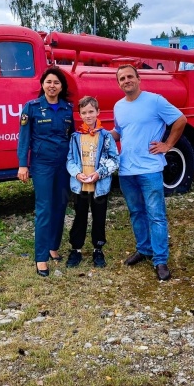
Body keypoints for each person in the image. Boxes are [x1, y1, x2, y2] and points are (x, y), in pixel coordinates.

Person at [111, 64, 187, 281]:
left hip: (150, 169)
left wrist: (167, 145)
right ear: (118, 83)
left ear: (138, 78)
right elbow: (120, 132)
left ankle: (160, 259)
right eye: (122, 78)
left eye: (130, 77)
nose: (126, 81)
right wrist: (97, 135)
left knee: (156, 215)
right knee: (136, 212)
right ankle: (144, 249)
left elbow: (180, 120)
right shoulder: (118, 106)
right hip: (127, 170)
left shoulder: (155, 101)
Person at [17, 66, 74, 277]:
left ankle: (53, 246)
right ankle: (41, 258)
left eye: (56, 83)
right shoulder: (31, 108)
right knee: (44, 209)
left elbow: (73, 137)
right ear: (42, 84)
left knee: (60, 206)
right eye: (49, 82)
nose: (52, 86)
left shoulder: (67, 108)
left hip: (63, 166)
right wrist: (23, 165)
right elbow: (24, 138)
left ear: (61, 87)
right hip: (42, 165)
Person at [65, 96, 119, 268]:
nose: (88, 115)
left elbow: (114, 159)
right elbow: (70, 160)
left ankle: (98, 249)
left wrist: (99, 173)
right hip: (80, 185)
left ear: (97, 112)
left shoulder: (106, 136)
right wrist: (77, 174)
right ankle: (76, 249)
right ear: (79, 114)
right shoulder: (75, 137)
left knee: (99, 217)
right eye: (84, 112)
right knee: (79, 216)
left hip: (99, 187)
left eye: (91, 111)